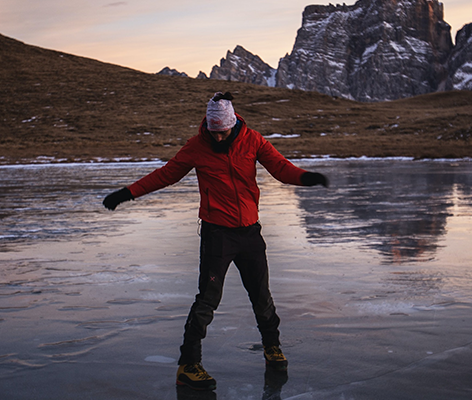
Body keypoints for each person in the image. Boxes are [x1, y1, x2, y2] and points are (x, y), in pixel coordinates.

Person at [103, 92, 328, 391]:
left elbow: (281, 168)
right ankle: (189, 364)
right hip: (217, 235)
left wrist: (306, 178)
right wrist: (126, 193)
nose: (218, 137)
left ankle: (272, 347)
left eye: (222, 132)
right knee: (208, 299)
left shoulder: (253, 140)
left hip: (249, 233)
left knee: (261, 295)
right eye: (213, 132)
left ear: (232, 124)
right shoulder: (197, 147)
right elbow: (165, 175)